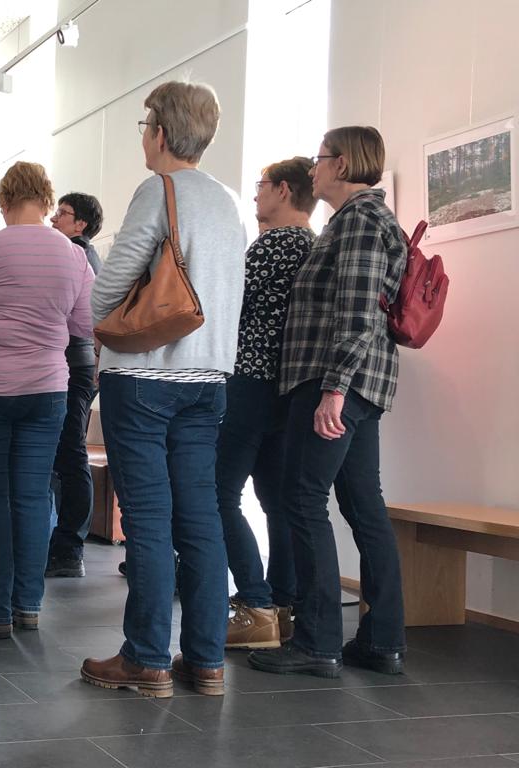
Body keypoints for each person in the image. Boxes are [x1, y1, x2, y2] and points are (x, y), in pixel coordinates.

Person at [79, 81, 246, 698]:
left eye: (145, 124)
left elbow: (110, 283)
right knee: (201, 517)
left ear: (161, 132)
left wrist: (97, 314)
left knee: (148, 519)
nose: (144, 137)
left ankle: (147, 658)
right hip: (209, 380)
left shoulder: (160, 190)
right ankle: (205, 660)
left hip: (145, 376)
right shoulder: (228, 201)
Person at [249, 126, 408, 678]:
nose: (311, 170)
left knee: (302, 498)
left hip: (335, 381)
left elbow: (358, 315)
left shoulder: (360, 220)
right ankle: (382, 642)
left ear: (340, 164)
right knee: (362, 505)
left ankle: (317, 642)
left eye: (318, 160)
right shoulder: (358, 220)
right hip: (355, 382)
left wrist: (334, 390)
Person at [0, 161, 93, 638]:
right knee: (31, 497)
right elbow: (83, 323)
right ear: (47, 201)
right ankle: (27, 605)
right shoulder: (73, 254)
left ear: (4, 200)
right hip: (46, 389)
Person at [217, 157, 316, 649]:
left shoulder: (274, 244)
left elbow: (226, 302)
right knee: (276, 500)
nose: (256, 194)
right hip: (286, 388)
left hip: (251, 382)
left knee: (218, 494)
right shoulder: (312, 244)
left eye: (261, 185)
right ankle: (281, 606)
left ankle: (254, 605)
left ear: (282, 190)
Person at [45, 192, 103, 579]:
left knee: (69, 453)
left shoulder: (77, 255)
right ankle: (63, 541)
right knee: (65, 453)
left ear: (80, 223)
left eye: (62, 214)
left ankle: (69, 547)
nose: (54, 219)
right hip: (76, 363)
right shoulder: (83, 254)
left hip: (74, 363)